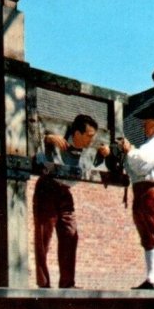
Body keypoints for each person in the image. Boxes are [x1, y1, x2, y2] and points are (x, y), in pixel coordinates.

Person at [33, 114, 109, 289]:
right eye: (89, 136)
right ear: (76, 133)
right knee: (43, 237)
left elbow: (98, 162)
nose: (92, 140)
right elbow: (35, 142)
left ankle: (67, 284)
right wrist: (46, 138)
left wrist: (106, 155)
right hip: (48, 187)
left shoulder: (90, 149)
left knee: (71, 235)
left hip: (65, 193)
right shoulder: (56, 139)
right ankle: (43, 284)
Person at [120, 102, 154, 290]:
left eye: (146, 122)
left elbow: (141, 164)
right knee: (147, 236)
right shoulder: (151, 144)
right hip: (142, 190)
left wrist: (129, 150)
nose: (144, 126)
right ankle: (151, 278)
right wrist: (131, 153)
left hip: (151, 191)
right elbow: (136, 166)